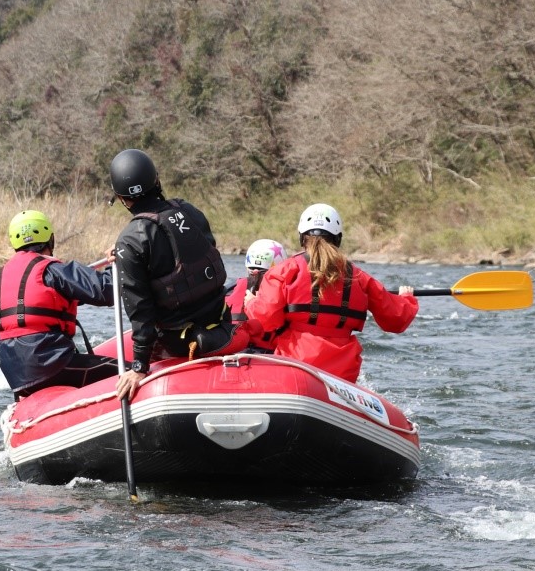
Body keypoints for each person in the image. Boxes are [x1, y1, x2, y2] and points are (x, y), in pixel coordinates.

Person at [108, 148, 256, 400]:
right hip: (221, 326)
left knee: (108, 368)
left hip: (180, 343)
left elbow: (140, 310)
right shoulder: (188, 210)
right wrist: (125, 255)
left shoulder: (130, 242)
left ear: (122, 198)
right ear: (156, 180)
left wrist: (139, 367)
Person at [248, 203, 418, 383]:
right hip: (342, 373)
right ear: (338, 239)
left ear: (302, 238)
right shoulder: (359, 277)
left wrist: (251, 302)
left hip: (295, 365)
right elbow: (396, 319)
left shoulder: (284, 271)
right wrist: (406, 298)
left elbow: (264, 319)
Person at [0, 209, 117, 399]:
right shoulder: (53, 270)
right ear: (50, 239)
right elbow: (107, 291)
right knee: (126, 372)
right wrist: (117, 263)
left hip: (16, 376)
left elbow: (34, 309)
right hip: (52, 366)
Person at [226, 238, 288, 353]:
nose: (256, 273)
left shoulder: (229, 289)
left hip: (234, 351)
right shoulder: (287, 294)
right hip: (268, 355)